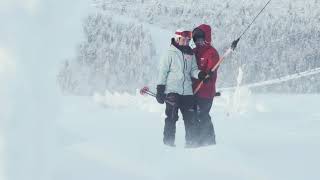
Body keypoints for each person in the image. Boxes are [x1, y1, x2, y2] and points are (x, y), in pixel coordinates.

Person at [156, 29, 210, 147]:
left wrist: (200, 74)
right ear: (177, 39)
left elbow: (193, 70)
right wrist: (160, 89)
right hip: (172, 91)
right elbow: (163, 72)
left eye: (188, 40)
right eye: (184, 40)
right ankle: (168, 145)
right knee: (171, 118)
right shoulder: (170, 53)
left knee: (191, 119)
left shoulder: (190, 54)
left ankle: (192, 145)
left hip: (187, 92)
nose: (186, 42)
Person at [192, 24, 220, 146]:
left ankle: (209, 142)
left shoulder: (212, 53)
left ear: (206, 38)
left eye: (201, 39)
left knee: (202, 115)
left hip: (206, 92)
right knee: (194, 117)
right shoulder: (194, 52)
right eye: (196, 39)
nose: (199, 42)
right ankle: (198, 141)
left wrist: (209, 75)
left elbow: (212, 71)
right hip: (194, 91)